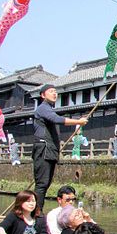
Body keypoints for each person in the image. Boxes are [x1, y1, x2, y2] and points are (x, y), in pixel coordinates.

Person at [33, 84, 87, 212]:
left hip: (50, 151)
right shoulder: (42, 108)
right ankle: (36, 214)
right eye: (51, 91)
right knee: (42, 184)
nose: (54, 93)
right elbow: (56, 119)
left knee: (46, 184)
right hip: (43, 149)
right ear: (43, 95)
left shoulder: (49, 109)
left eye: (56, 91)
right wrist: (78, 122)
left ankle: (37, 211)